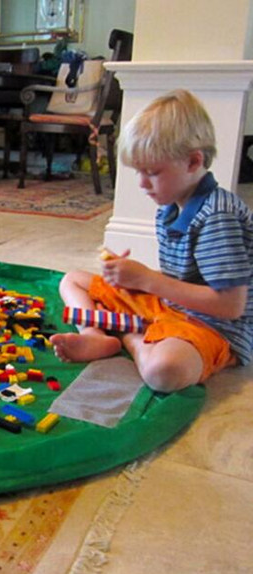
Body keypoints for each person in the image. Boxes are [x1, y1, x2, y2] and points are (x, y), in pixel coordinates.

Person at [50, 89, 253, 392]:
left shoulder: (217, 217)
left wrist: (148, 280)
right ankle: (94, 334)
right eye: (139, 172)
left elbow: (231, 306)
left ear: (193, 161)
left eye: (153, 172)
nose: (143, 184)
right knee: (73, 280)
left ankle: (128, 336)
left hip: (213, 326)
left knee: (163, 372)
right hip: (169, 306)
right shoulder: (172, 207)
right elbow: (180, 280)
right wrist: (131, 275)